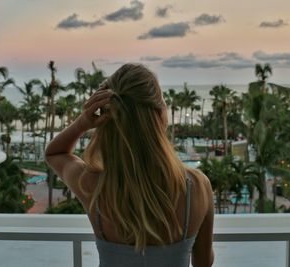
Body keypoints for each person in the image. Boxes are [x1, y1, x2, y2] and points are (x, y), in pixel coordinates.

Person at [45, 63, 214, 267]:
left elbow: (55, 153)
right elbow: (203, 262)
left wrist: (84, 122)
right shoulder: (196, 186)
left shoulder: (93, 185)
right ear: (160, 114)